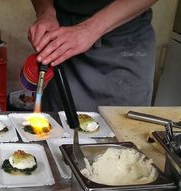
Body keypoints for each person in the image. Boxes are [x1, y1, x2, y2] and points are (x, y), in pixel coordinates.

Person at [28, 0, 157, 112]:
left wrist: (90, 29)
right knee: (58, 128)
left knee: (122, 131)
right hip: (62, 41)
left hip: (123, 41)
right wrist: (45, 12)